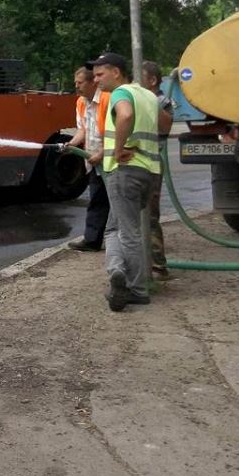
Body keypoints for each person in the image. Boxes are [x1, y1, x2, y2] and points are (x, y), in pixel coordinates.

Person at [90, 52, 160, 312]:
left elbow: (126, 116)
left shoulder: (120, 94)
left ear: (116, 73)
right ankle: (117, 272)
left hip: (124, 172)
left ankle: (136, 289)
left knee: (127, 231)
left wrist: (119, 149)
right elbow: (163, 123)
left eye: (100, 74)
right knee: (114, 228)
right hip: (149, 172)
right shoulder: (148, 95)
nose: (96, 80)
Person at [65, 66, 111, 251]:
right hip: (94, 161)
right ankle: (92, 240)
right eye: (75, 83)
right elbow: (82, 129)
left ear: (93, 82)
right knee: (97, 200)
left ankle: (127, 241)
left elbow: (115, 132)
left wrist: (101, 153)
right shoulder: (81, 102)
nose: (77, 86)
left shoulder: (108, 100)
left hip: (111, 159)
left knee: (118, 203)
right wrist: (72, 144)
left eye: (80, 82)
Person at [141, 60, 175, 277]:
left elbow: (165, 126)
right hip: (135, 161)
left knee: (150, 214)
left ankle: (157, 265)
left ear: (152, 81)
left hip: (151, 164)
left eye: (140, 77)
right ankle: (142, 263)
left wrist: (149, 101)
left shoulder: (162, 101)